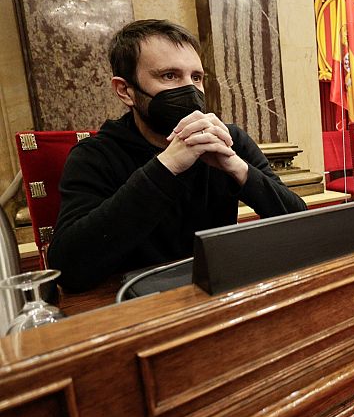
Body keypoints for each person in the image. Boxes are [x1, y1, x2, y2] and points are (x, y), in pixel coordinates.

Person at [48, 19, 307, 292]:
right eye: (169, 76)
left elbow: (301, 224)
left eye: (196, 77)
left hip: (217, 290)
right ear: (126, 90)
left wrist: (239, 169)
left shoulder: (229, 141)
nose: (190, 90)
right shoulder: (95, 156)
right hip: (137, 302)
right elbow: (68, 269)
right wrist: (166, 166)